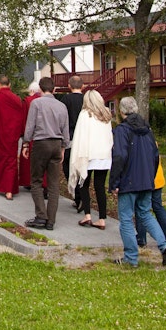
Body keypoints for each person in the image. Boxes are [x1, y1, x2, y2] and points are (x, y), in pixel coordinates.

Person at [108, 96, 166, 267]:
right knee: (145, 213)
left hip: (129, 180)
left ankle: (131, 258)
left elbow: (120, 156)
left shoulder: (122, 130)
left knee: (125, 218)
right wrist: (151, 178)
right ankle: (165, 246)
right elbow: (155, 155)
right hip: (146, 179)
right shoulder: (148, 129)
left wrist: (114, 182)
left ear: (121, 112)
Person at [22, 77, 70, 231]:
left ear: (40, 90)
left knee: (36, 180)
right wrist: (64, 147)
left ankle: (41, 216)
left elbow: (30, 126)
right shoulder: (62, 106)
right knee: (54, 184)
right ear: (54, 89)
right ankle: (51, 220)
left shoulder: (36, 103)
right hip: (57, 143)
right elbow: (65, 129)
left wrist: (25, 143)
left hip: (41, 142)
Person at [69, 88, 113, 229]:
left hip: (88, 154)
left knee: (84, 184)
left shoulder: (85, 114)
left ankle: (87, 215)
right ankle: (102, 218)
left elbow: (80, 136)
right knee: (100, 187)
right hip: (104, 155)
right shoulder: (106, 114)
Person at [136, 156, 166, 252]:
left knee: (141, 208)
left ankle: (141, 237)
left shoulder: (141, 142)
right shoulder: (153, 142)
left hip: (147, 179)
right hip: (158, 178)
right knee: (158, 207)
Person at [56, 76, 85, 181]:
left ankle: (72, 186)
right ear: (83, 86)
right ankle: (80, 187)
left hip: (69, 135)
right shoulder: (86, 100)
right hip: (84, 136)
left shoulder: (65, 100)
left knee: (67, 163)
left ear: (69, 86)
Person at [17, 83, 41, 190]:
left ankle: (28, 181)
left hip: (30, 134)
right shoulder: (44, 100)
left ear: (31, 90)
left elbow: (24, 119)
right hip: (43, 135)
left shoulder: (27, 101)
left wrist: (23, 135)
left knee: (28, 160)